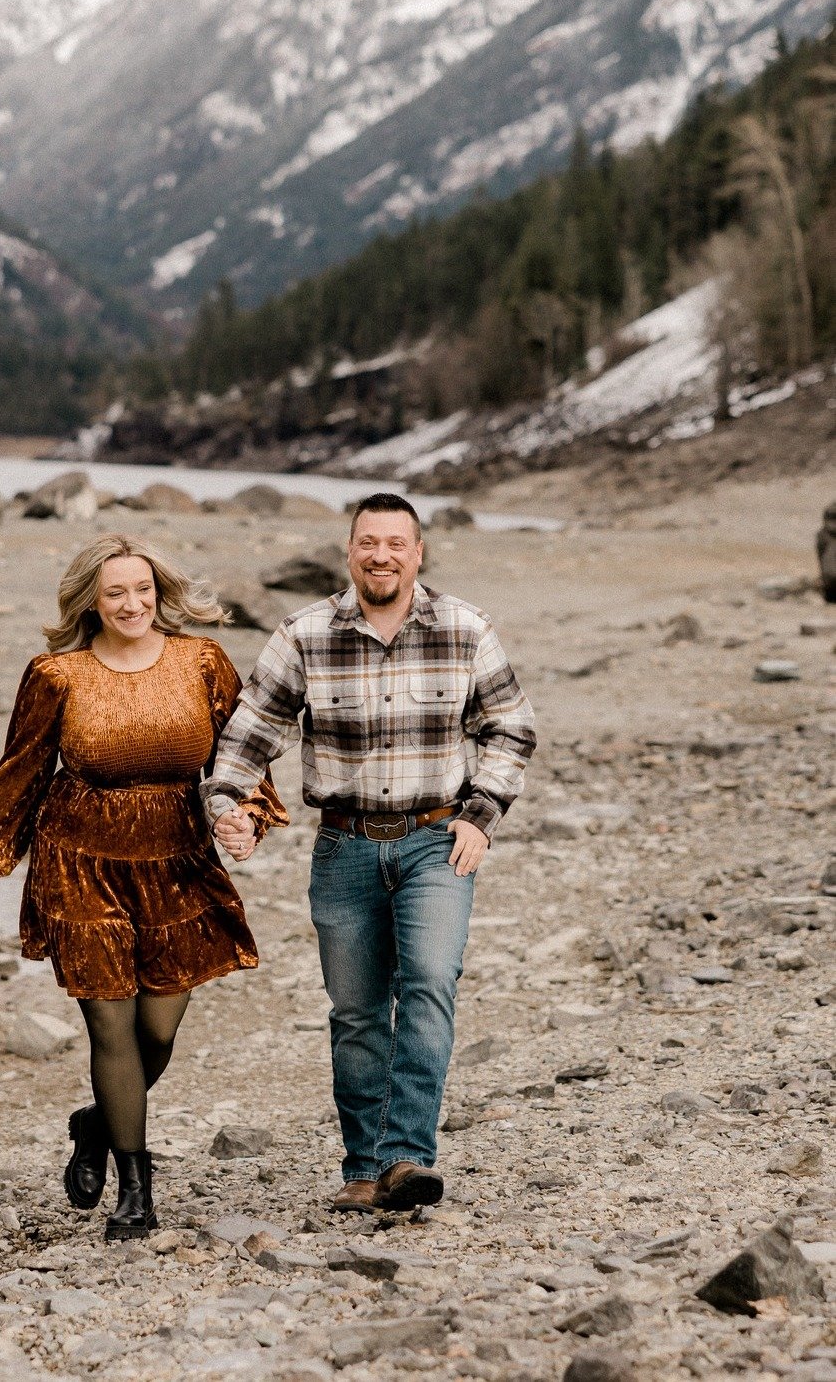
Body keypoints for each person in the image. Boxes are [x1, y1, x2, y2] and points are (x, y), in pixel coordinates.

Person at [0, 533, 284, 1240]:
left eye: (143, 590)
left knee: (156, 1031)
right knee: (111, 1026)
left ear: (160, 594)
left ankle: (94, 1125)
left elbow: (244, 757)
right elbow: (21, 772)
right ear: (90, 600)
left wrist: (248, 816)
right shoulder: (56, 674)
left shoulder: (202, 661)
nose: (132, 603)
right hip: (80, 861)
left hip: (176, 858)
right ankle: (136, 1187)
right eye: (116, 591)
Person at [204, 491, 536, 1213]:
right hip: (343, 847)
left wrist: (481, 815)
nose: (380, 554)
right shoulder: (304, 634)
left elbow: (510, 729)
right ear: (349, 551)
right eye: (367, 542)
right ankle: (363, 1167)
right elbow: (247, 736)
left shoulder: (464, 627)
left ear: (417, 552)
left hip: (435, 842)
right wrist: (227, 806)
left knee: (427, 984)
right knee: (356, 1011)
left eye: (395, 542)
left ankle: (406, 1158)